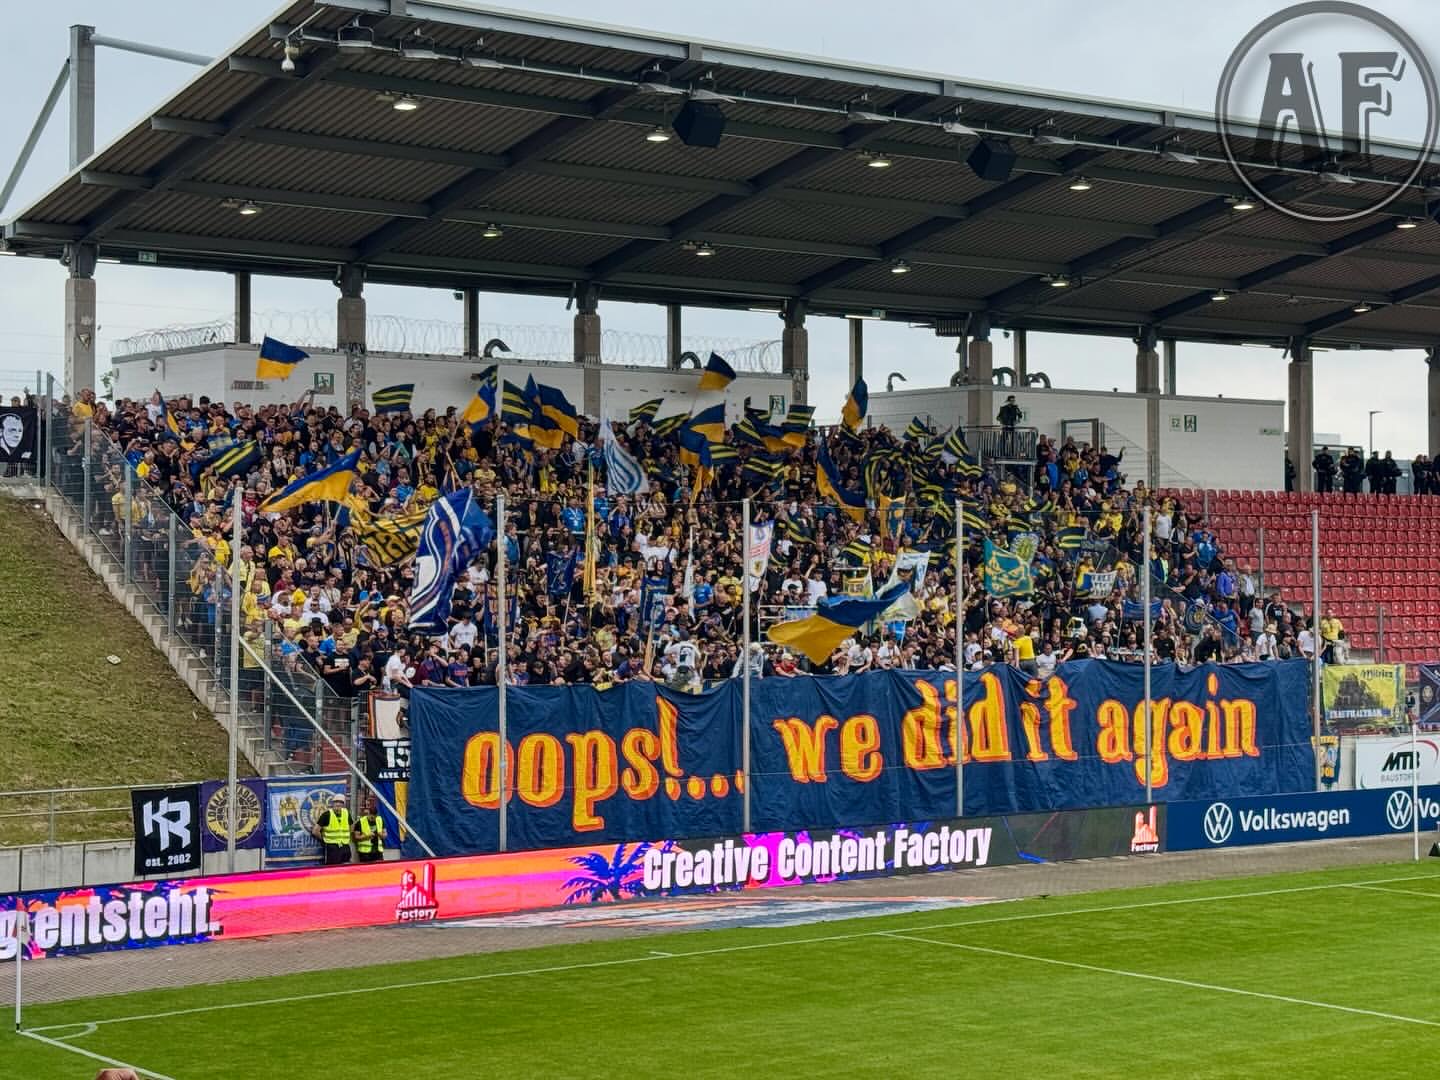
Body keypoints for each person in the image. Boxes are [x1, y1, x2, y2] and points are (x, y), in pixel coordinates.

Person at [310, 793, 352, 865]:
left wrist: (348, 836)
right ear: (333, 804)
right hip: (332, 847)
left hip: (345, 846)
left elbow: (352, 826)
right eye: (336, 803)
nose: (338, 805)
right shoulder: (326, 815)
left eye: (340, 803)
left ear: (343, 805)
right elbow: (315, 831)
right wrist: (324, 839)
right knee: (332, 868)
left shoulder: (346, 813)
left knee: (346, 868)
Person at [352, 795, 387, 863]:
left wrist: (381, 835)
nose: (372, 819)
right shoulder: (360, 822)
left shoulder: (380, 820)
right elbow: (356, 837)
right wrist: (366, 836)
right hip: (365, 853)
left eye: (374, 817)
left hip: (378, 851)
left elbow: (385, 834)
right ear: (368, 814)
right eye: (371, 817)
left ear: (376, 815)